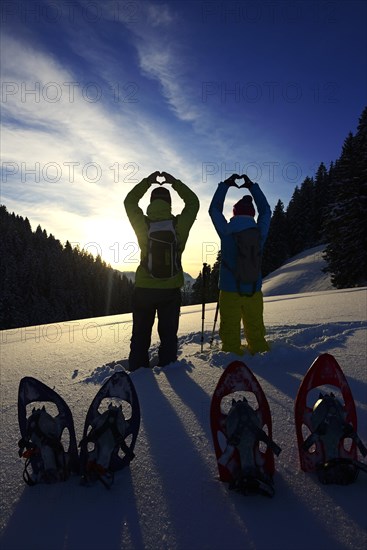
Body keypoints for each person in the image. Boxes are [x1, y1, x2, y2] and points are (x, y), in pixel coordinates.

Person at [124, 171, 200, 371]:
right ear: (169, 204)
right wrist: (174, 182)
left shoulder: (143, 224)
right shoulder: (178, 225)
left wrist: (147, 182)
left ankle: (138, 372)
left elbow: (129, 202)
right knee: (168, 335)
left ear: (150, 203)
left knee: (140, 334)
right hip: (170, 290)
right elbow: (193, 203)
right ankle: (168, 368)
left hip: (144, 289)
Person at [208, 173, 271, 355]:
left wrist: (225, 186)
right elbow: (266, 211)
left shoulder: (227, 231)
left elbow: (214, 210)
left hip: (229, 290)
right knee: (255, 327)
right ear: (252, 214)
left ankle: (232, 358)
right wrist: (252, 187)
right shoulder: (259, 232)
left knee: (230, 330)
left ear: (234, 213)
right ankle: (261, 355)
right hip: (253, 288)